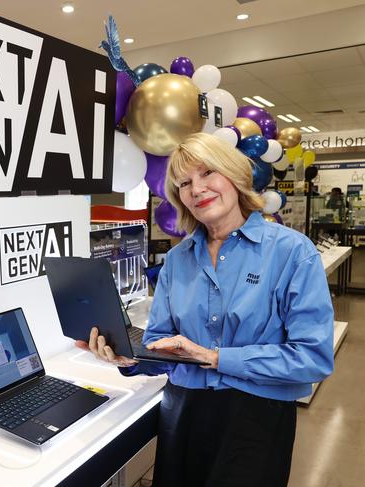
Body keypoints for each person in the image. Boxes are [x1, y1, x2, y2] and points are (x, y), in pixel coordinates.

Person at [77, 132, 334, 487]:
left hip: (256, 419)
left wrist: (215, 358)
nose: (196, 189)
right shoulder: (179, 259)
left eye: (207, 173)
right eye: (184, 182)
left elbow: (312, 357)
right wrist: (130, 358)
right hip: (182, 413)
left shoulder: (291, 252)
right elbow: (162, 343)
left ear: (235, 175)